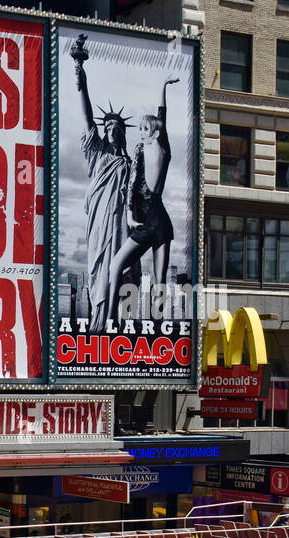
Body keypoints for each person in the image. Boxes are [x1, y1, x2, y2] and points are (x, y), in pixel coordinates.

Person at [69, 32, 135, 333]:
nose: (110, 129)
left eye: (116, 126)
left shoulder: (129, 162)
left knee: (121, 269)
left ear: (122, 131)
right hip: (98, 221)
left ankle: (119, 324)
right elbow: (86, 115)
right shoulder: (96, 154)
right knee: (99, 267)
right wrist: (79, 70)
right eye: (107, 126)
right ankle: (98, 323)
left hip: (122, 222)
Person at [108, 74, 182, 320]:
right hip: (162, 221)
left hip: (147, 222)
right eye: (139, 128)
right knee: (160, 280)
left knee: (116, 264)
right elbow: (164, 116)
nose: (140, 132)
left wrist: (129, 215)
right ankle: (158, 325)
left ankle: (109, 321)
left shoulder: (142, 150)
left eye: (144, 128)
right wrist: (162, 87)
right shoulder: (165, 149)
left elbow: (132, 185)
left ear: (153, 131)